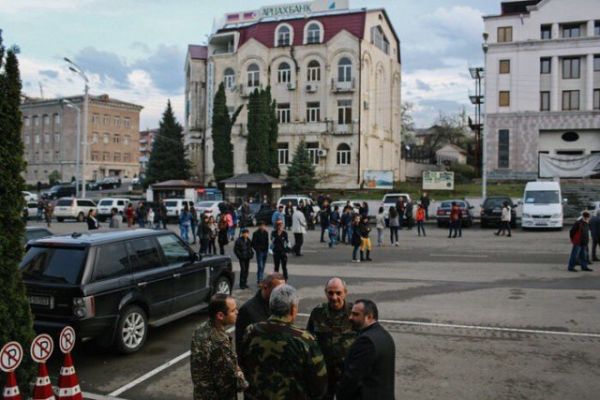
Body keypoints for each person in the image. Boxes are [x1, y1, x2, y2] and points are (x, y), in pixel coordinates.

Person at [240, 285, 328, 399]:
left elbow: (242, 364)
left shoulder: (251, 331)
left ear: (271, 306)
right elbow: (320, 382)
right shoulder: (304, 339)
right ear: (293, 309)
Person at [190, 294, 248, 400]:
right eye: (233, 310)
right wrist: (241, 376)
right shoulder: (220, 342)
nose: (237, 312)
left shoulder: (200, 330)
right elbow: (228, 380)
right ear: (220, 315)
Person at [307, 278, 356, 400]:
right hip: (324, 374)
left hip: (348, 373)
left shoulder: (354, 313)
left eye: (338, 293)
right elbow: (308, 341)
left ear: (345, 292)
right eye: (330, 293)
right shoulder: (317, 313)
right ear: (325, 292)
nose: (334, 297)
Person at [337, 299, 395, 400]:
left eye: (356, 314)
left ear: (369, 317)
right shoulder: (385, 335)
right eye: (351, 314)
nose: (350, 318)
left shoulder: (366, 341)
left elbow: (353, 377)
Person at [234, 273, 285, 359]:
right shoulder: (248, 310)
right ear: (265, 287)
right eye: (278, 290)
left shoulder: (281, 306)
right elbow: (240, 343)